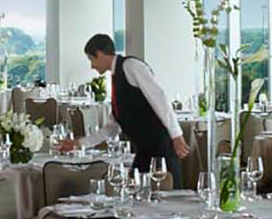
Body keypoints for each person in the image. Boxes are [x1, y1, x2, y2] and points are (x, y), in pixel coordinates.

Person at [61, 34, 189, 186]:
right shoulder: (116, 77)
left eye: (91, 59)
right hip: (144, 151)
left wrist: (176, 135)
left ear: (100, 54)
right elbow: (112, 128)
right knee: (135, 191)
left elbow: (159, 98)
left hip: (161, 149)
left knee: (168, 195)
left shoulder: (131, 66)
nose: (92, 66)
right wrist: (78, 143)